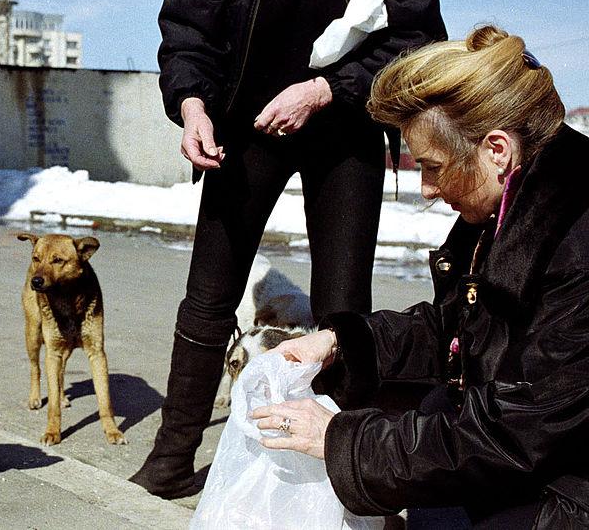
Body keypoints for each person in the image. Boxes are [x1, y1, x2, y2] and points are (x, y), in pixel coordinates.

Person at [131, 0, 446, 499]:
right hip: (245, 129)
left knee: (342, 305)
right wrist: (192, 107)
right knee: (209, 294)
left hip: (345, 126)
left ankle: (339, 466)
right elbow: (187, 33)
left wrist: (325, 90)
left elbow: (418, 38)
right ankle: (172, 458)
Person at [251, 26, 589, 527]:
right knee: (422, 412)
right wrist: (342, 341)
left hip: (567, 485)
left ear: (496, 149)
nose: (427, 188)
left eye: (433, 166)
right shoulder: (503, 201)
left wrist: (342, 441)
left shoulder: (576, 243)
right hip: (521, 445)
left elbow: (523, 429)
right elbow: (454, 329)